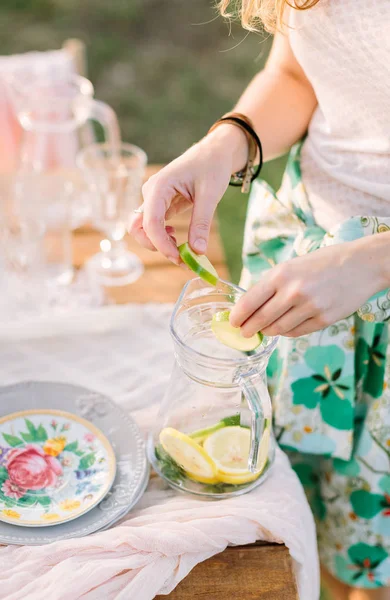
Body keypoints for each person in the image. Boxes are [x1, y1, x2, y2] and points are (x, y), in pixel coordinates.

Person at [130, 1, 390, 598]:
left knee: (371, 563)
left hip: (355, 286)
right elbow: (298, 73)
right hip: (307, 273)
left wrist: (371, 260)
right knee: (299, 518)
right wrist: (227, 144)